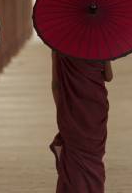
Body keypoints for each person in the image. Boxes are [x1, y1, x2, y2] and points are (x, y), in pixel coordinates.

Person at [50, 51, 113, 193]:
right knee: (93, 156)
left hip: (70, 109)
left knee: (74, 156)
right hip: (96, 108)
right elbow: (108, 77)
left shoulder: (59, 46)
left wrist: (62, 110)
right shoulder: (100, 44)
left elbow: (56, 85)